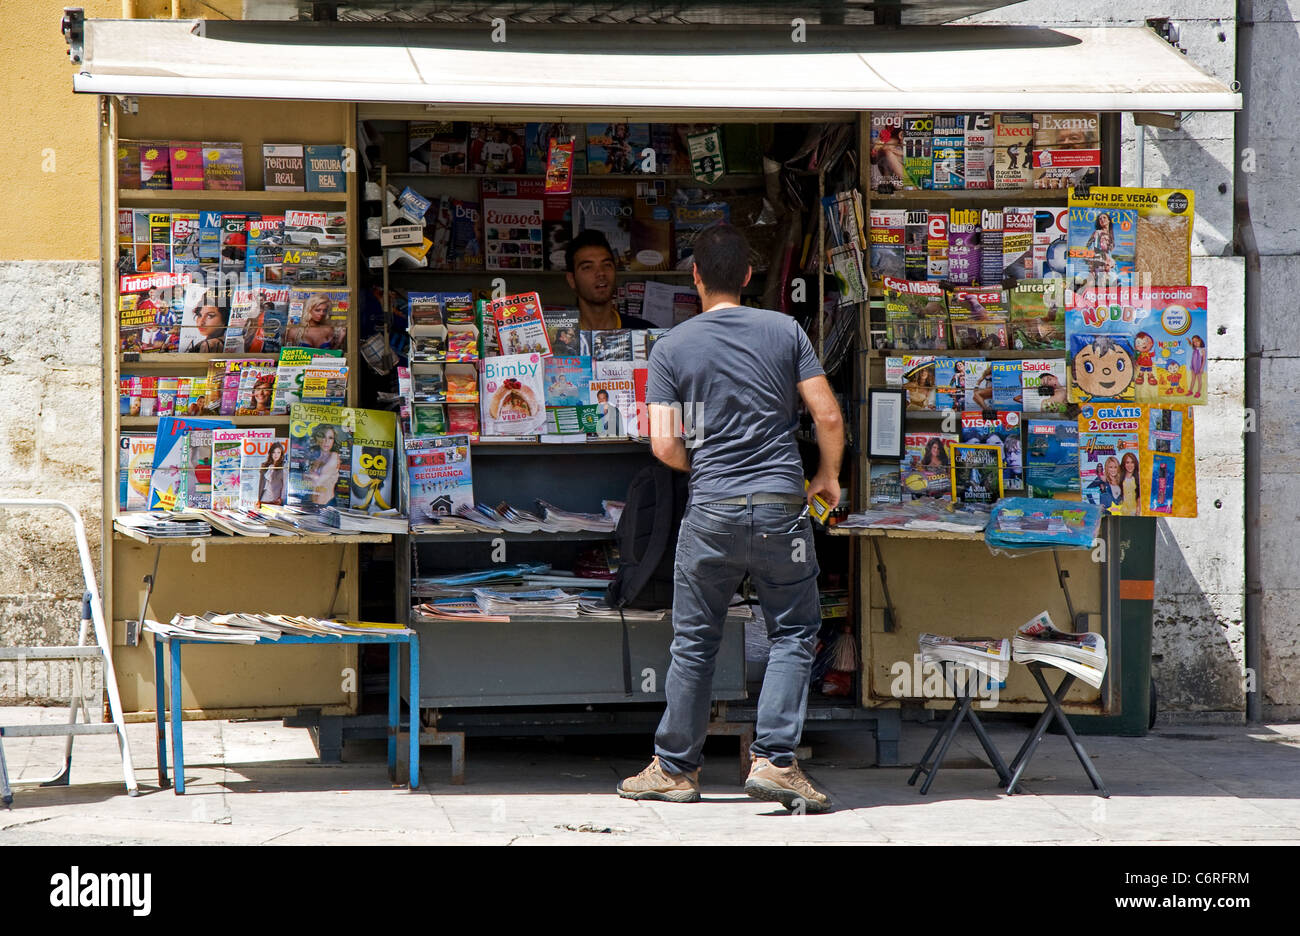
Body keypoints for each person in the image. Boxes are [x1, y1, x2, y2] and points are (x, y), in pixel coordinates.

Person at [617, 223, 843, 813]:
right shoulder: (787, 330)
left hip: (711, 510)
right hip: (780, 508)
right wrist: (827, 477)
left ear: (695, 279)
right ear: (748, 275)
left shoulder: (671, 348)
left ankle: (675, 770)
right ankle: (776, 761)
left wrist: (712, 471)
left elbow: (664, 449)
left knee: (694, 641)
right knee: (793, 630)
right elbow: (829, 417)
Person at [564, 229, 657, 331]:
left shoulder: (646, 333)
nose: (601, 273)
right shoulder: (557, 338)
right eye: (588, 267)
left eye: (607, 265)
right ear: (572, 279)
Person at [305, 426, 341, 506]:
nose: (326, 441)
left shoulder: (334, 456)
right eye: (323, 437)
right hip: (311, 503)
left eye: (330, 438)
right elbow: (303, 482)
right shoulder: (314, 457)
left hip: (327, 504)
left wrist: (309, 476)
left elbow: (318, 482)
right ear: (317, 438)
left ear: (334, 441)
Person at [258, 441, 286, 506]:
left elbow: (284, 485)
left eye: (278, 452)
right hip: (264, 498)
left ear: (281, 454)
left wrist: (281, 498)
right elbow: (261, 483)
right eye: (274, 452)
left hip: (275, 500)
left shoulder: (283, 467)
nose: (276, 455)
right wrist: (258, 498)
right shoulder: (264, 465)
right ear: (270, 453)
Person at [1188, 334, 1206, 399]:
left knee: (1199, 380)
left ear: (1200, 340)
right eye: (1194, 342)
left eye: (1196, 341)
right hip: (1193, 366)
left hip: (1199, 367)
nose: (1195, 343)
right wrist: (1189, 341)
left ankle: (1198, 392)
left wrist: (1202, 368)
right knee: (1193, 379)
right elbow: (1191, 344)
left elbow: (1204, 360)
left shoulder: (1202, 350)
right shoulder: (1195, 348)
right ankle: (1190, 391)